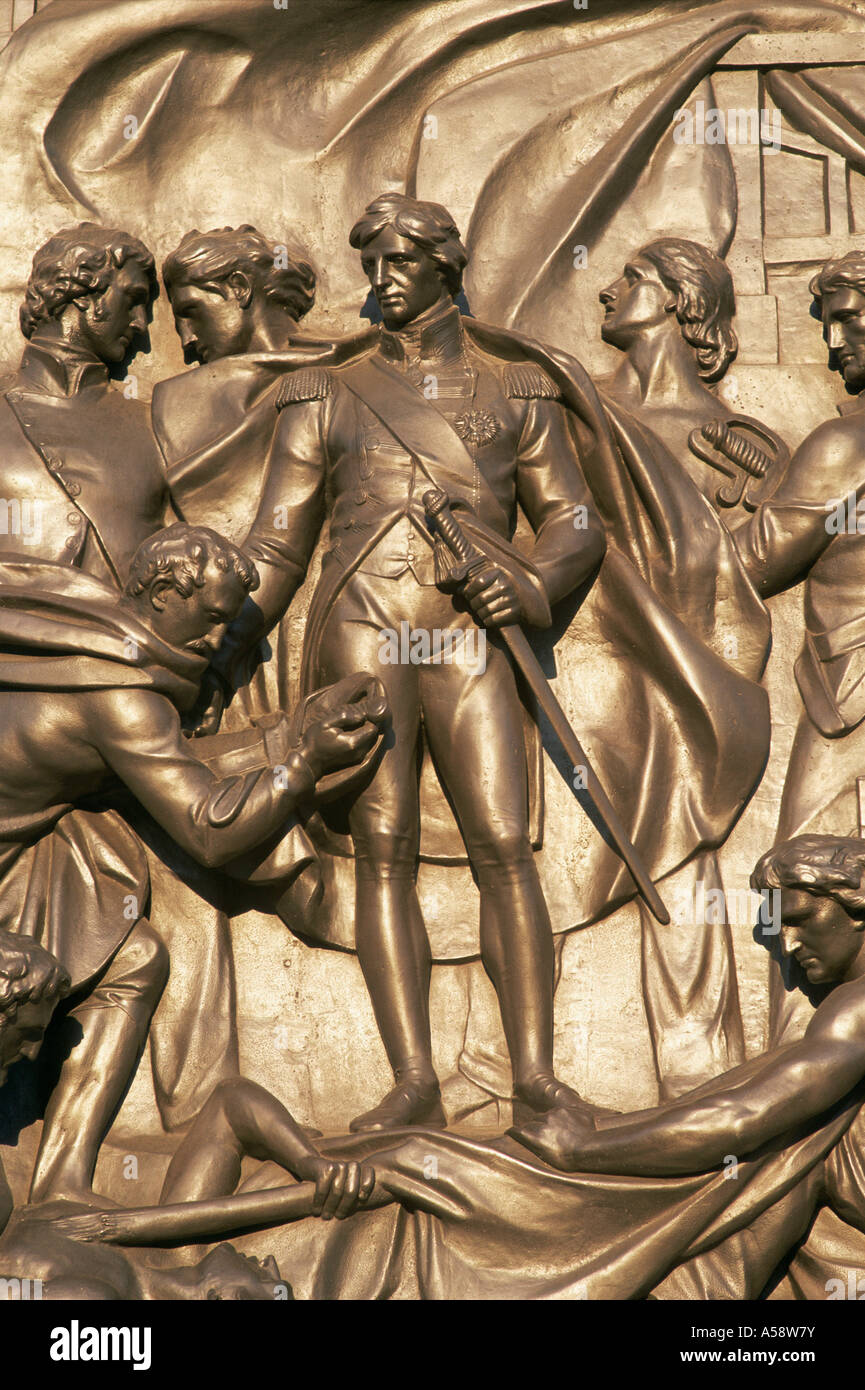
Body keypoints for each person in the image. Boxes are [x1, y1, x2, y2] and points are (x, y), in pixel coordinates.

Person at [214, 192, 607, 1131]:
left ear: (445, 267)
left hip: (469, 634)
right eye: (371, 265)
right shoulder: (326, 393)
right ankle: (412, 1080)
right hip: (361, 628)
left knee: (504, 846)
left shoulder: (517, 391)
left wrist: (534, 582)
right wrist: (215, 639)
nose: (381, 281)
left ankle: (536, 1079)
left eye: (398, 262)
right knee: (380, 855)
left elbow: (575, 520)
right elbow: (278, 543)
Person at [0, 523, 385, 1203]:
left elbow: (167, 772)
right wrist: (305, 765)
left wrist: (289, 732)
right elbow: (207, 828)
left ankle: (60, 1183)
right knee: (49, 977)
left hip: (24, 849)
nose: (215, 641)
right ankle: (53, 1183)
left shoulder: (79, 627)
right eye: (209, 618)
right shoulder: (121, 692)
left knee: (133, 955)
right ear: (161, 592)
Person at [0, 931, 375, 1300]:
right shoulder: (177, 1243)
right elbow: (231, 1104)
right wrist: (308, 1161)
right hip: (58, 1191)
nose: (272, 1264)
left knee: (141, 955)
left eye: (272, 1288)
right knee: (142, 954)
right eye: (282, 1287)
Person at [0, 222, 169, 585]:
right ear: (81, 289)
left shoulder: (154, 424)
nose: (141, 324)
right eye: (133, 299)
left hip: (127, 637)